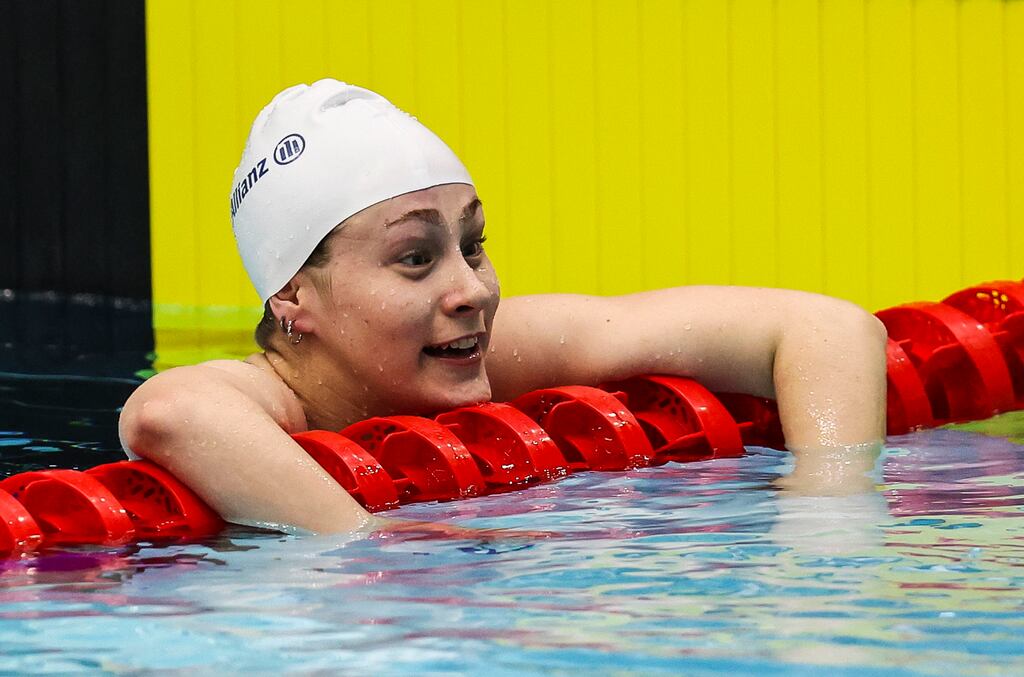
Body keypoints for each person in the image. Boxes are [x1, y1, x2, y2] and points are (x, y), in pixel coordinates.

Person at [119, 80, 887, 534]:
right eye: (416, 258)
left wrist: (827, 521)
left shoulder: (504, 346)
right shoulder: (267, 399)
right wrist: (371, 549)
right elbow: (167, 415)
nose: (474, 290)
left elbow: (828, 328)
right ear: (292, 295)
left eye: (473, 244)